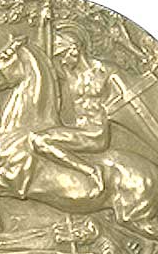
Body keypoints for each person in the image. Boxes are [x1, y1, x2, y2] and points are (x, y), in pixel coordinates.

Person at [29, 21, 116, 196]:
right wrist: (43, 24)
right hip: (78, 130)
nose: (61, 61)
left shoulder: (106, 71)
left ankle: (91, 171)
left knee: (39, 140)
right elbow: (42, 59)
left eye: (62, 55)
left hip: (96, 133)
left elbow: (127, 97)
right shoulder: (68, 73)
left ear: (74, 50)